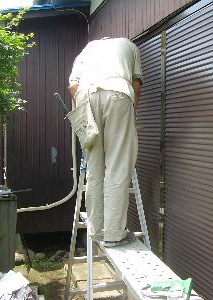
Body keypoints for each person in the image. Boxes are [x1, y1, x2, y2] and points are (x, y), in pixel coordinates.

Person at [68, 37, 142, 247]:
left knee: (94, 166)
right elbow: (135, 86)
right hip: (118, 93)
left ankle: (97, 229)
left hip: (85, 97)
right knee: (118, 164)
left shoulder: (87, 49)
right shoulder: (129, 46)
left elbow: (73, 86)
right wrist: (128, 118)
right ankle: (113, 234)